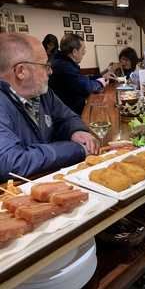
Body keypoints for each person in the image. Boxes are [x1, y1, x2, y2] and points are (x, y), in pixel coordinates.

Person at [0, 33, 99, 182]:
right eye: (45, 65)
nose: (50, 71)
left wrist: (77, 131)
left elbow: (68, 117)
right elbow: (12, 163)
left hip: (46, 181)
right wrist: (77, 149)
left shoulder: (42, 93)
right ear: (21, 71)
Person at [49, 34, 115, 115]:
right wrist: (102, 81)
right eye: (83, 49)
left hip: (70, 111)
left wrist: (101, 76)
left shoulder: (63, 62)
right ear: (74, 52)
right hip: (69, 115)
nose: (84, 52)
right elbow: (87, 88)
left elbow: (81, 79)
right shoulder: (65, 67)